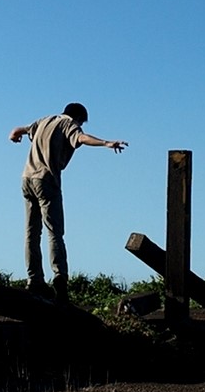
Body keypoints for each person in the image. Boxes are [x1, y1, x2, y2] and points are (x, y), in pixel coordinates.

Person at [9, 103, 127, 303]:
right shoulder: (69, 124)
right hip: (46, 180)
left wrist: (15, 135)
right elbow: (81, 137)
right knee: (54, 232)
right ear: (79, 117)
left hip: (26, 178)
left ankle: (34, 280)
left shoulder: (44, 120)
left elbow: (18, 130)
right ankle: (60, 278)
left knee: (31, 233)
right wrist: (106, 143)